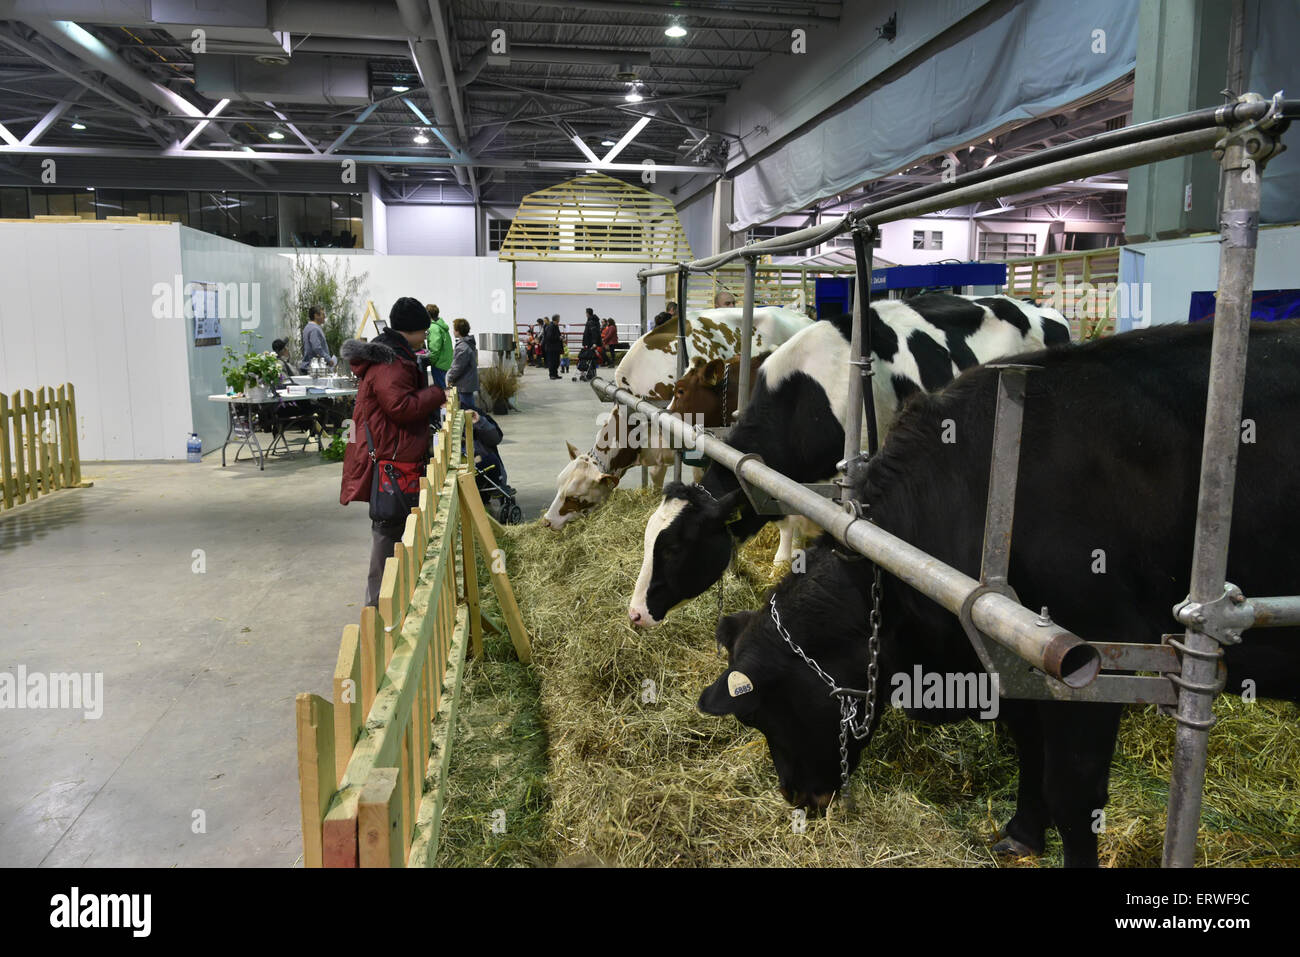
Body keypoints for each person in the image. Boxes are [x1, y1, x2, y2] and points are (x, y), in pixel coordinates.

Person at [339, 297, 446, 607]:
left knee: (394, 531)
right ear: (410, 331)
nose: (425, 338)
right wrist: (437, 394)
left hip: (395, 455)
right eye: (423, 333)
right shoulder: (392, 363)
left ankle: (389, 602)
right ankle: (379, 609)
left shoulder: (394, 357)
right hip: (392, 459)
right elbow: (400, 407)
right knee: (387, 533)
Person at [447, 318, 480, 410]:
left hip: (464, 383)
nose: (453, 331)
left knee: (467, 410)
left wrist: (449, 377)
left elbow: (457, 367)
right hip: (467, 382)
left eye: (454, 329)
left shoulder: (462, 347)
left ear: (458, 331)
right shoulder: (468, 343)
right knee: (469, 408)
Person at [425, 304, 453, 390]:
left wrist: (430, 361)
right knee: (448, 392)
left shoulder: (433, 328)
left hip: (439, 366)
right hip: (446, 364)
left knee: (442, 393)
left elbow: (435, 349)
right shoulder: (441, 326)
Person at [300, 304, 331, 373]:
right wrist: (329, 359)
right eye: (323, 314)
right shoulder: (314, 329)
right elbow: (317, 348)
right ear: (316, 315)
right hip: (314, 369)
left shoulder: (308, 327)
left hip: (310, 366)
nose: (325, 317)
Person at [542, 314, 563, 379]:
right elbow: (549, 337)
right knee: (552, 362)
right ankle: (552, 375)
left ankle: (555, 374)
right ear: (557, 319)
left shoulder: (556, 326)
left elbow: (557, 335)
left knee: (556, 362)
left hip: (555, 347)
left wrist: (561, 337)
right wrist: (559, 337)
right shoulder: (551, 326)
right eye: (559, 318)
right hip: (551, 348)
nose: (559, 320)